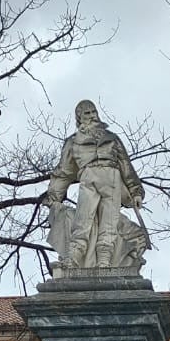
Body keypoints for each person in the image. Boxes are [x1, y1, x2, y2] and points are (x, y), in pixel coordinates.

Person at [46, 97, 147, 270]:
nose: (92, 116)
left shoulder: (112, 138)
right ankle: (74, 257)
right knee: (83, 220)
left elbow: (126, 166)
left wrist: (136, 192)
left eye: (94, 112)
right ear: (79, 117)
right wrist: (53, 196)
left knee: (109, 223)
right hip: (89, 176)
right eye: (87, 113)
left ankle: (104, 261)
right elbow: (63, 172)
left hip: (112, 178)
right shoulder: (73, 142)